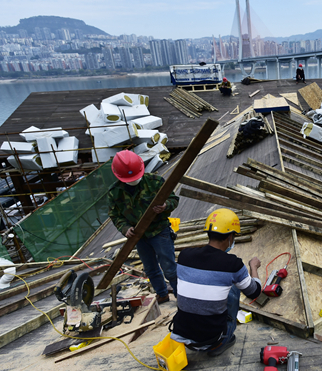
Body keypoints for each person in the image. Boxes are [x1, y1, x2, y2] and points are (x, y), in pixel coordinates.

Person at [170, 208, 261, 357]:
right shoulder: (233, 264)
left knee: (212, 283)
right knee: (233, 287)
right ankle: (220, 344)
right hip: (212, 340)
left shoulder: (184, 255)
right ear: (230, 237)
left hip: (182, 336)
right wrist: (253, 267)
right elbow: (255, 292)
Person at [108, 150, 179, 304]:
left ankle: (182, 297)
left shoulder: (155, 182)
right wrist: (125, 228)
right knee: (150, 269)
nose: (133, 180)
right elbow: (115, 215)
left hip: (159, 231)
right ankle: (162, 294)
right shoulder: (115, 193)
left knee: (169, 268)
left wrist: (165, 205)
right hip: (139, 236)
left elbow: (174, 200)